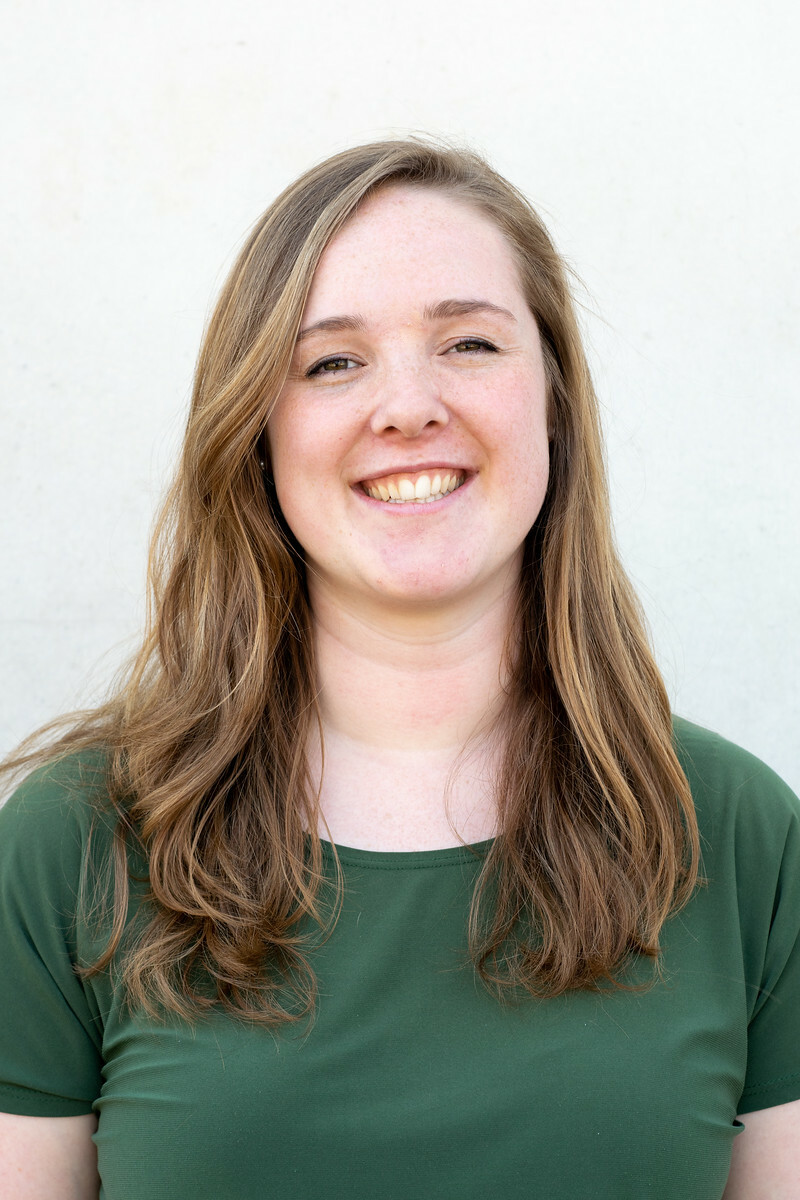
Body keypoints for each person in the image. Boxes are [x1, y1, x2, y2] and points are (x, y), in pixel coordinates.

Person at [0, 139, 798, 1200]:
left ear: (552, 399)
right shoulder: (74, 842)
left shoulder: (737, 834)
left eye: (467, 343)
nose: (408, 405)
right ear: (257, 433)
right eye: (332, 361)